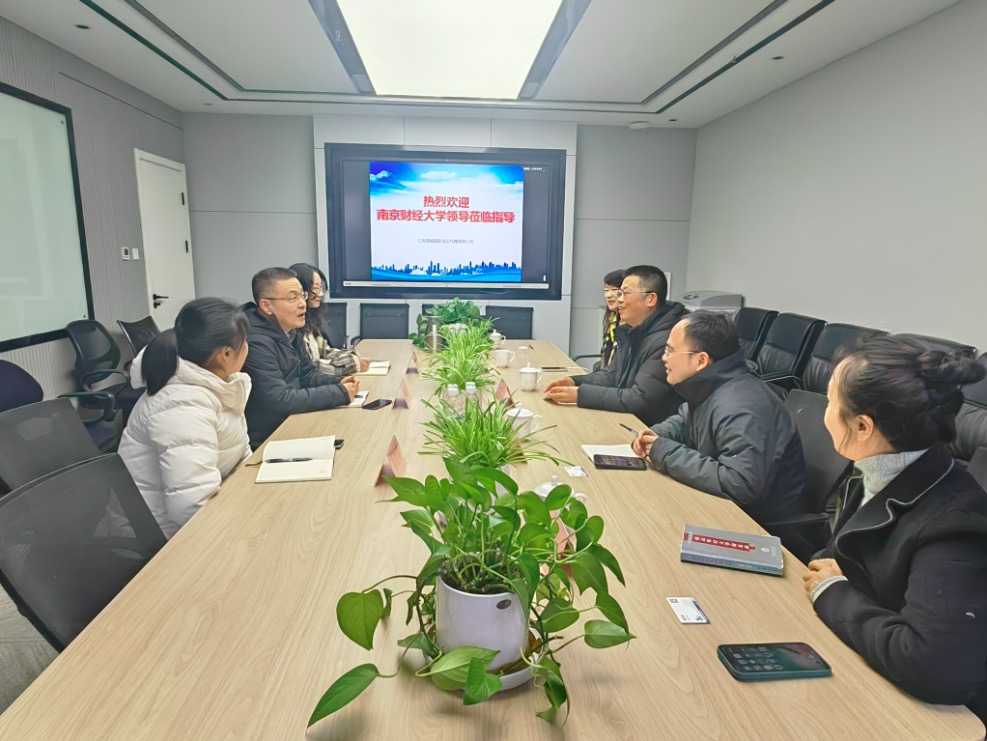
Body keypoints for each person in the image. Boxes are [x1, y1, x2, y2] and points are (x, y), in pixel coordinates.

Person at [802, 336, 987, 722]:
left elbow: (932, 666)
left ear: (862, 426)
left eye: (830, 402)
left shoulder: (954, 524)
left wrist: (833, 592)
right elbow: (839, 558)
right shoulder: (880, 467)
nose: (824, 412)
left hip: (919, 715)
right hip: (861, 662)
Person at [631, 311, 804, 525]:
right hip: (719, 507)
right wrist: (656, 436)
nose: (663, 358)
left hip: (755, 524)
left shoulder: (741, 406)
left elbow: (739, 485)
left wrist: (664, 452)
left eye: (670, 351)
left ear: (701, 360)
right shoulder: (712, 385)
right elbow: (685, 421)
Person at [119, 298, 251, 538]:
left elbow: (240, 455)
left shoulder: (218, 386)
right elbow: (192, 508)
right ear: (226, 354)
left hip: (211, 516)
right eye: (245, 343)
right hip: (163, 539)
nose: (248, 348)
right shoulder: (182, 404)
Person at [544, 265, 687, 425]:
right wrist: (574, 382)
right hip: (627, 419)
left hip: (648, 429)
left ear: (650, 299)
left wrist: (580, 395)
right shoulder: (633, 331)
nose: (619, 299)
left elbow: (641, 399)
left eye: (625, 293)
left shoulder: (667, 340)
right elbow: (611, 375)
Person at [242, 267, 359, 448]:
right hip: (269, 440)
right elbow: (279, 400)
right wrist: (339, 393)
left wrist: (339, 381)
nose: (303, 304)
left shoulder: (289, 330)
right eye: (292, 298)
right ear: (266, 306)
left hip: (293, 423)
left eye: (302, 295)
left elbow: (307, 375)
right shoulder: (255, 342)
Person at [289, 262, 371, 375]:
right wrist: (353, 365)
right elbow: (310, 367)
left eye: (321, 288)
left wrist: (352, 357)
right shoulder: (292, 327)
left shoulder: (310, 321)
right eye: (315, 288)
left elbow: (325, 351)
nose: (321, 294)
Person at [597, 269, 625, 371]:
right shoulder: (612, 318)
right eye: (606, 290)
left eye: (614, 289)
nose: (609, 295)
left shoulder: (631, 322)